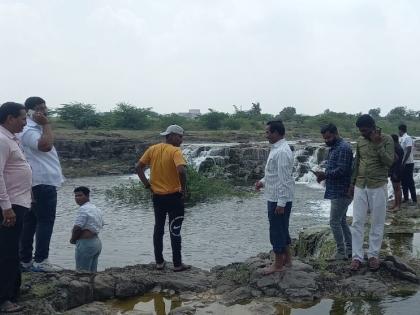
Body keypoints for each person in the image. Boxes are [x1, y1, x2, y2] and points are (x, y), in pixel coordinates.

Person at [19, 96, 65, 272]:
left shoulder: (32, 128)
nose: (44, 111)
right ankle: (40, 261)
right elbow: (45, 146)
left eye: (45, 108)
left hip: (37, 182)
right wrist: (46, 124)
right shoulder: (29, 130)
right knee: (45, 221)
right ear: (30, 111)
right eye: (39, 108)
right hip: (41, 182)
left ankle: (25, 260)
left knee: (30, 221)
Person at [136, 125, 190, 272]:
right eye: (180, 136)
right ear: (171, 136)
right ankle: (177, 264)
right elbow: (181, 171)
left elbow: (138, 167)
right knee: (175, 229)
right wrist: (183, 189)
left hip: (157, 197)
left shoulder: (152, 149)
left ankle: (159, 262)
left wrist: (148, 186)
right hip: (174, 197)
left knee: (158, 229)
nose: (181, 139)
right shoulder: (175, 151)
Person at [349, 114, 394, 271]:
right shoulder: (360, 141)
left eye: (365, 130)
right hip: (361, 185)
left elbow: (389, 162)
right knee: (357, 222)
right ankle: (357, 257)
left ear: (373, 127)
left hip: (378, 185)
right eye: (360, 131)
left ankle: (373, 255)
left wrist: (378, 144)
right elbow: (357, 162)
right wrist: (352, 183)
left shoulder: (387, 139)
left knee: (377, 221)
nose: (362, 133)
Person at [0, 102, 32, 313]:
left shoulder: (12, 139)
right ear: (10, 118)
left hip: (18, 202)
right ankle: (4, 299)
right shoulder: (2, 140)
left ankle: (13, 291)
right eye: (22, 118)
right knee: (7, 252)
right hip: (9, 205)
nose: (25, 122)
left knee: (13, 250)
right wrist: (6, 207)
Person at [255, 120, 294, 274]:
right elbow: (274, 174)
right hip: (275, 195)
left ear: (277, 133)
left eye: (268, 132)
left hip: (278, 198)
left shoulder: (282, 152)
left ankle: (277, 265)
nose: (266, 135)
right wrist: (262, 182)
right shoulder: (277, 149)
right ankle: (288, 260)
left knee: (276, 231)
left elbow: (285, 179)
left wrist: (281, 202)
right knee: (282, 229)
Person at [314, 124, 353, 260]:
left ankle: (341, 252)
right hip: (337, 190)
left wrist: (325, 175)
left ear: (336, 133)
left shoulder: (343, 148)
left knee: (334, 222)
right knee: (341, 221)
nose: (326, 141)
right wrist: (323, 175)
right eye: (325, 138)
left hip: (342, 191)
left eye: (329, 137)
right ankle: (349, 250)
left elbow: (342, 170)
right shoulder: (335, 147)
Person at [70, 187, 104, 272]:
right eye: (76, 196)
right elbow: (101, 224)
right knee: (93, 273)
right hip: (97, 243)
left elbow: (77, 228)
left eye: (80, 195)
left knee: (82, 273)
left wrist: (72, 240)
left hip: (86, 243)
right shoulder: (96, 208)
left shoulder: (83, 209)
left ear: (87, 196)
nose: (77, 198)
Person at [398, 124, 417, 205]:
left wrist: (404, 162)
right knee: (403, 181)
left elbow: (408, 150)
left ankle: (414, 200)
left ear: (401, 130)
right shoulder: (402, 139)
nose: (398, 132)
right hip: (403, 163)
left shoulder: (408, 138)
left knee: (410, 182)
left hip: (408, 163)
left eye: (399, 130)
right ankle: (406, 198)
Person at [389, 134, 404, 210]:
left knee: (397, 188)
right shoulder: (397, 147)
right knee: (395, 188)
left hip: (397, 170)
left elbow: (397, 161)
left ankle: (398, 205)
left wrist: (395, 172)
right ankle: (395, 203)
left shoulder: (397, 148)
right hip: (395, 169)